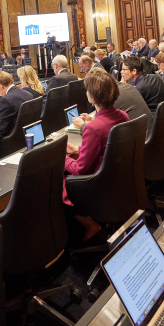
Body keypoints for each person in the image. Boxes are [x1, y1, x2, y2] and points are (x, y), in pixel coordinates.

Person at [64, 70, 129, 239]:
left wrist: (61, 158)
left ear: (92, 97)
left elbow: (79, 170)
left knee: (55, 186)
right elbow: (108, 150)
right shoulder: (123, 116)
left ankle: (86, 226)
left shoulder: (94, 128)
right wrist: (77, 150)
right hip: (118, 181)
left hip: (98, 187)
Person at [116, 62, 154, 138]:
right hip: (151, 128)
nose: (121, 72)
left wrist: (123, 86)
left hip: (145, 134)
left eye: (124, 69)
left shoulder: (139, 87)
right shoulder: (151, 77)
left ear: (134, 71)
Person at [0, 70, 34, 138]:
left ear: (0, 86)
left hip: (13, 140)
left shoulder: (5, 100)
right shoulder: (28, 93)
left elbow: (0, 131)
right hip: (28, 135)